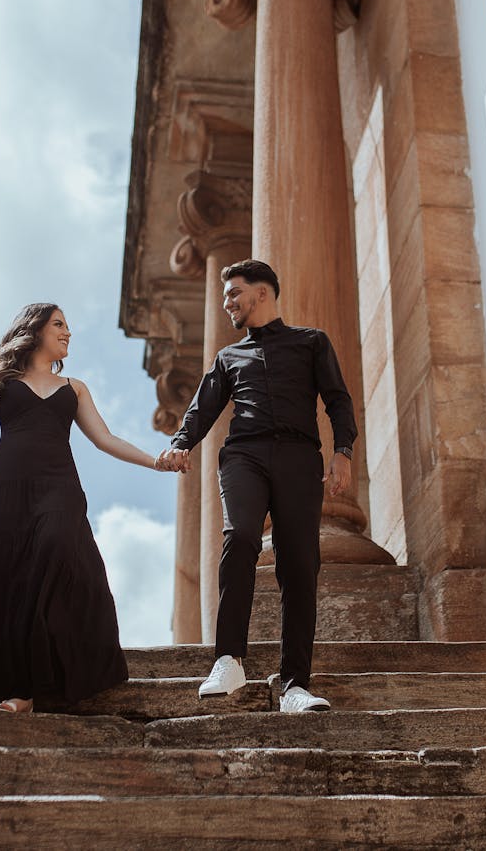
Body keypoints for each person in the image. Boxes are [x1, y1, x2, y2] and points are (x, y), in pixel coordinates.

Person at [0, 302, 180, 712]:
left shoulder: (75, 388)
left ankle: (36, 685)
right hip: (4, 489)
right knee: (6, 579)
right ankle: (19, 691)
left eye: (68, 326)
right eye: (59, 325)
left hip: (59, 490)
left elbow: (105, 438)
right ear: (35, 331)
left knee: (54, 550)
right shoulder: (1, 381)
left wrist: (154, 461)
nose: (68, 333)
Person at [158, 259, 356, 713]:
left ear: (262, 293)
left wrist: (342, 451)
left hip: (299, 458)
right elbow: (201, 408)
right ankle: (229, 659)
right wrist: (181, 444)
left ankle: (294, 687)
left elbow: (338, 401)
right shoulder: (229, 357)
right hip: (244, 455)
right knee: (242, 535)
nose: (227, 302)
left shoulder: (311, 342)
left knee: (300, 565)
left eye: (234, 293)